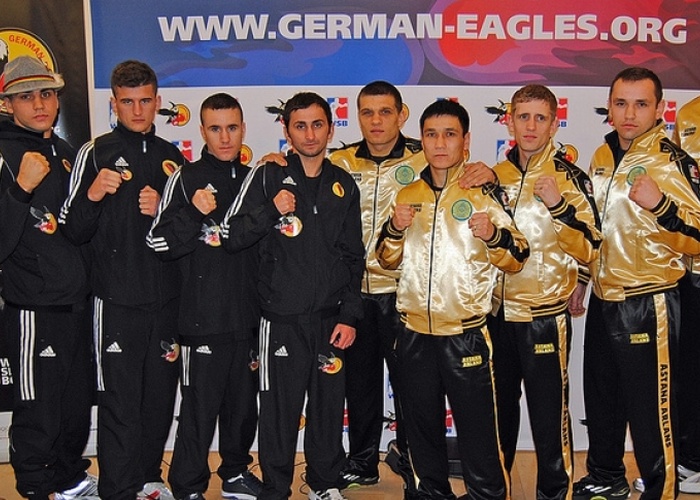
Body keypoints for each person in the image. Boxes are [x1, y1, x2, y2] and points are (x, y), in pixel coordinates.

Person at [376, 99, 530, 500]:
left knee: (479, 433)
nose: (440, 143)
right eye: (431, 134)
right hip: (414, 333)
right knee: (421, 429)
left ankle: (487, 495)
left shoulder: (484, 193)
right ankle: (430, 493)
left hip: (466, 335)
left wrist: (493, 235)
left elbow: (518, 257)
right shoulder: (408, 192)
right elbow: (385, 259)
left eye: (449, 134)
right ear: (422, 139)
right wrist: (394, 228)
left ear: (466, 140)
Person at [220, 92, 364, 500]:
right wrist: (270, 209)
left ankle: (323, 483)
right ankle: (276, 488)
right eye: (300, 125)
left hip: (330, 320)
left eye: (317, 124)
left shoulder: (343, 184)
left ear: (331, 129)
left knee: (328, 409)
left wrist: (349, 315)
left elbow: (354, 255)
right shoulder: (267, 177)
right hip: (280, 319)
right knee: (279, 413)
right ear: (286, 130)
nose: (310, 134)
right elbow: (231, 236)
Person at [569, 67, 700, 500]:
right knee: (602, 398)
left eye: (641, 104)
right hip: (605, 297)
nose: (629, 114)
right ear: (609, 107)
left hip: (650, 300)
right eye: (621, 103)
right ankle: (607, 476)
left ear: (660, 109)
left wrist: (661, 205)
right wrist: (583, 277)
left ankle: (662, 489)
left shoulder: (671, 160)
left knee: (651, 408)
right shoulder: (602, 155)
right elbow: (597, 227)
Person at [59, 60, 185, 500]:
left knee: (158, 399)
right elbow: (72, 229)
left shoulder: (173, 158)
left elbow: (188, 233)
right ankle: (117, 488)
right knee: (119, 400)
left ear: (157, 102)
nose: (137, 110)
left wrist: (163, 209)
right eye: (127, 102)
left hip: (165, 302)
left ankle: (149, 478)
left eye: (145, 101)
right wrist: (94, 193)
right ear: (114, 103)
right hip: (115, 302)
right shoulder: (94, 153)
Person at [486, 84, 602, 499]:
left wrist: (558, 206)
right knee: (496, 413)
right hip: (496, 315)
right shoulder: (492, 177)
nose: (531, 126)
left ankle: (554, 493)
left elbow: (591, 245)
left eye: (540, 118)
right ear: (510, 122)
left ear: (554, 124)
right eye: (523, 116)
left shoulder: (570, 178)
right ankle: (493, 490)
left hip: (544, 318)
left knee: (549, 416)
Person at [147, 93, 262, 500]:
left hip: (248, 320)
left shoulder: (256, 179)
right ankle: (188, 485)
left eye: (231, 128)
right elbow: (158, 242)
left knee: (243, 409)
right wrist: (194, 212)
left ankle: (235, 473)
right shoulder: (185, 178)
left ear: (243, 129)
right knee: (198, 412)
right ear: (202, 132)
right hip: (201, 321)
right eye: (215, 128)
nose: (225, 137)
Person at [0, 56, 97, 500]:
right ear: (8, 104)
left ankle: (69, 479)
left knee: (74, 409)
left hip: (77, 303)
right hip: (33, 307)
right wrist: (20, 189)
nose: (39, 104)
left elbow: (79, 229)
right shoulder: (4, 155)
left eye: (47, 94)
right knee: (38, 410)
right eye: (26, 96)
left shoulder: (67, 153)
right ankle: (37, 488)